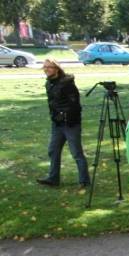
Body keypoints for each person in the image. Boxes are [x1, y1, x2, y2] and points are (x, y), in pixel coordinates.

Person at [38, 59, 89, 189]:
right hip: (57, 124)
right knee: (53, 150)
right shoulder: (49, 83)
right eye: (45, 67)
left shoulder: (67, 84)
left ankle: (84, 180)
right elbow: (52, 104)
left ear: (57, 69)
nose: (46, 69)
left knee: (76, 153)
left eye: (49, 67)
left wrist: (65, 115)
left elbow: (75, 105)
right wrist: (55, 117)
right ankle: (53, 178)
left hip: (71, 124)